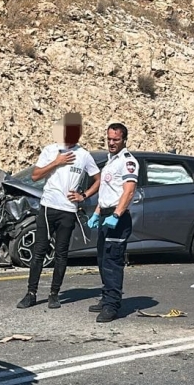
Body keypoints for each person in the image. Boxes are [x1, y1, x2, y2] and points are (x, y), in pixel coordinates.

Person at [17, 113, 100, 310]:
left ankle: (54, 294)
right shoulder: (50, 150)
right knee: (40, 251)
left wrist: (84, 195)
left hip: (68, 210)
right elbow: (35, 176)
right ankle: (31, 293)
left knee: (61, 253)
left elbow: (99, 179)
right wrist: (56, 162)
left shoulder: (84, 155)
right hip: (48, 207)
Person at [76, 122, 139, 323]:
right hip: (105, 215)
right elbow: (106, 193)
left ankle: (112, 305)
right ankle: (106, 298)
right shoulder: (111, 161)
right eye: (109, 139)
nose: (111, 143)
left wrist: (117, 215)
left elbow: (129, 191)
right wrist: (97, 213)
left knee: (112, 262)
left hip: (117, 218)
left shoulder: (127, 162)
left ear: (124, 140)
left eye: (116, 140)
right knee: (103, 260)